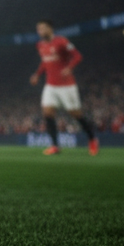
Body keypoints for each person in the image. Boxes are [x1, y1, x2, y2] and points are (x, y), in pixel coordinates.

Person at [31, 19, 98, 156]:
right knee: (47, 113)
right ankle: (55, 146)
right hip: (50, 85)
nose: (40, 31)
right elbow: (45, 62)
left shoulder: (61, 42)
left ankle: (92, 139)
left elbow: (77, 56)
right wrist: (37, 75)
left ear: (50, 28)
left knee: (76, 115)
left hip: (66, 85)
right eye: (38, 29)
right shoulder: (40, 45)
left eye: (43, 28)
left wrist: (69, 68)